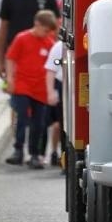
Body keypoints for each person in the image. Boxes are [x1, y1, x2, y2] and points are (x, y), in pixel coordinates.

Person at [4, 10, 58, 168]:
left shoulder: (49, 43)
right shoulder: (22, 38)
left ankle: (34, 154)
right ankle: (18, 150)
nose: (47, 33)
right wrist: (9, 79)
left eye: (49, 31)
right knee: (22, 117)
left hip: (40, 89)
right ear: (37, 24)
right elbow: (11, 58)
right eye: (45, 30)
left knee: (38, 123)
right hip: (22, 85)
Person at [0, 0, 60, 80]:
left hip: (42, 54)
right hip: (17, 53)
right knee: (18, 91)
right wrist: (1, 61)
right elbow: (3, 29)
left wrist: (56, 55)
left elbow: (57, 27)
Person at [44, 34, 64, 170]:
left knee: (61, 126)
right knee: (59, 125)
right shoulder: (58, 47)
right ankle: (55, 152)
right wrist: (51, 92)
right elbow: (50, 70)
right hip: (61, 85)